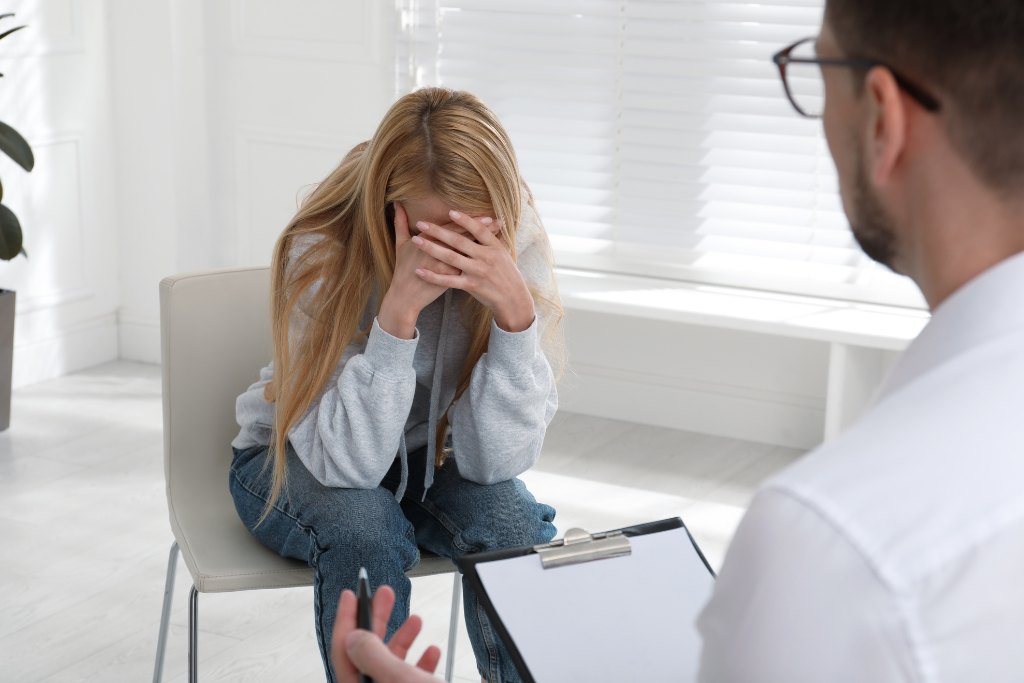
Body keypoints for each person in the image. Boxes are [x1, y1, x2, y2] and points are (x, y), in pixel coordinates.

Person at [326, 0, 1024, 680]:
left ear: (882, 119)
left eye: (815, 71)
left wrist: (514, 319)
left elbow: (495, 461)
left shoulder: (827, 542)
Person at [227, 87, 562, 683]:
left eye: (468, 238)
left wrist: (514, 318)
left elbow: (497, 464)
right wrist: (396, 319)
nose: (450, 259)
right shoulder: (323, 248)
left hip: (427, 458)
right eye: (430, 237)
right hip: (299, 455)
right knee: (365, 529)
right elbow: (347, 469)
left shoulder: (518, 243)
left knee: (513, 525)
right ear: (389, 210)